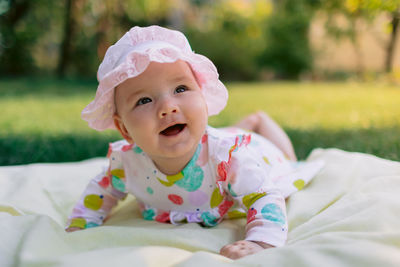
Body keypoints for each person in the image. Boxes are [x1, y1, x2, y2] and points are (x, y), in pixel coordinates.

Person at [66, 25, 323, 259]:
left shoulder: (229, 157)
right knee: (225, 133)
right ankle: (247, 123)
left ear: (202, 97)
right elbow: (100, 193)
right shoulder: (126, 163)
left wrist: (261, 242)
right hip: (214, 139)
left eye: (180, 89)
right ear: (124, 129)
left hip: (260, 154)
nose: (167, 107)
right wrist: (81, 223)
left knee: (286, 158)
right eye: (144, 100)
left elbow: (263, 195)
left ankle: (258, 121)